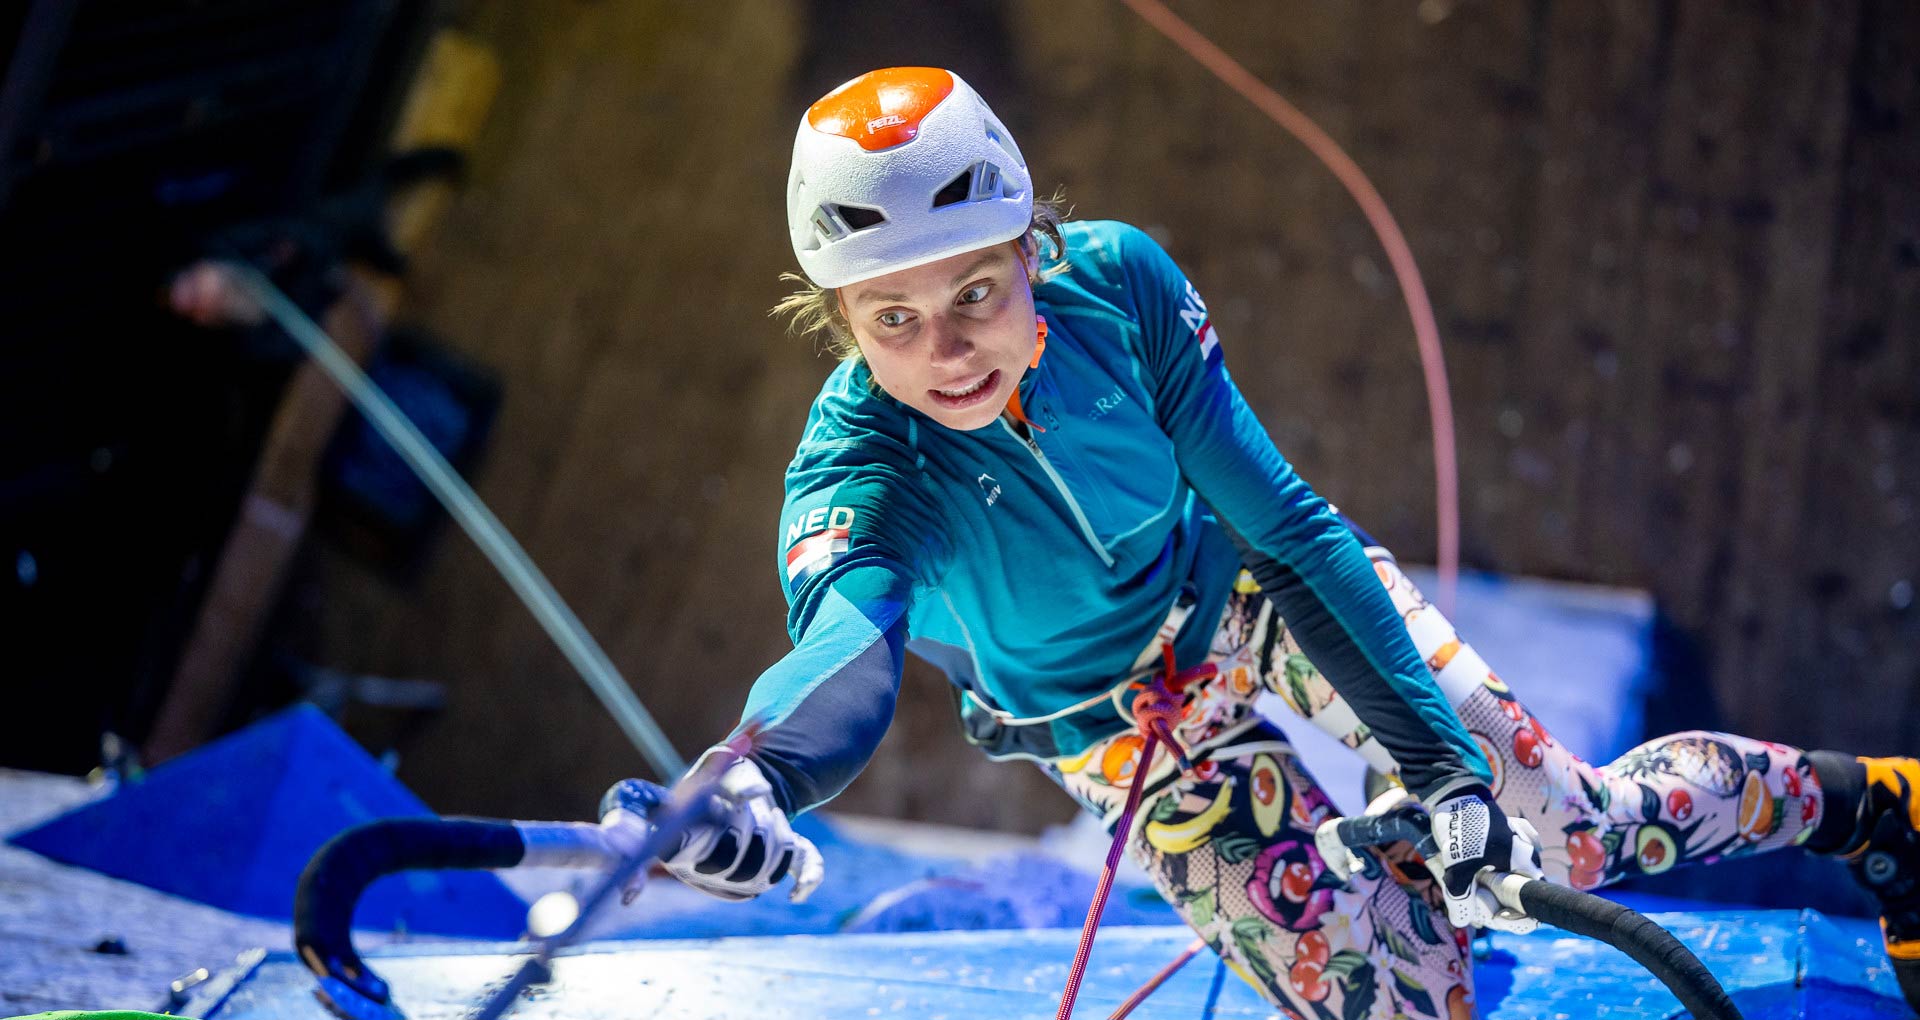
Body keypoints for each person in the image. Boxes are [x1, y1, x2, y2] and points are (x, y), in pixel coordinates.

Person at [642, 66, 1920, 1017]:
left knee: (1565, 833)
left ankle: (1871, 809)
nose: (947, 351)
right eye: (892, 319)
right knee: (1410, 1004)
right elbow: (846, 651)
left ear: (1032, 248)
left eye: (975, 290)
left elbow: (1293, 534)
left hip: (1258, 589)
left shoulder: (1120, 286)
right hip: (1121, 729)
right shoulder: (863, 469)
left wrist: (1445, 774)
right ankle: (1411, 866)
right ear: (841, 321)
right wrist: (753, 777)